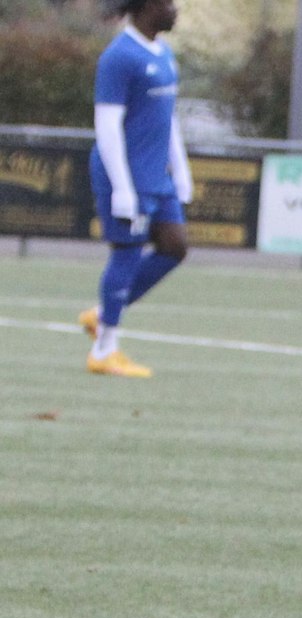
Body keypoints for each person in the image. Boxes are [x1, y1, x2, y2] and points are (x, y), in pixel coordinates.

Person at [76, 0, 189, 379]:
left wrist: (182, 169)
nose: (176, 9)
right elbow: (107, 127)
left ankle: (103, 314)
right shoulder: (119, 57)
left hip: (158, 176)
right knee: (126, 254)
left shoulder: (165, 53)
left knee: (175, 247)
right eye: (168, 3)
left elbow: (167, 118)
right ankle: (104, 350)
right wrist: (122, 188)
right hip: (127, 177)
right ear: (146, 7)